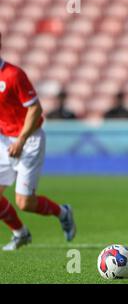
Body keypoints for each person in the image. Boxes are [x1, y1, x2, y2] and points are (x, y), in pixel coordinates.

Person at [0, 32, 76, 251]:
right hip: (4, 140)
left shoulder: (13, 75)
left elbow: (35, 109)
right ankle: (20, 234)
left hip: (28, 139)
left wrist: (21, 140)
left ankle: (63, 212)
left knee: (24, 203)